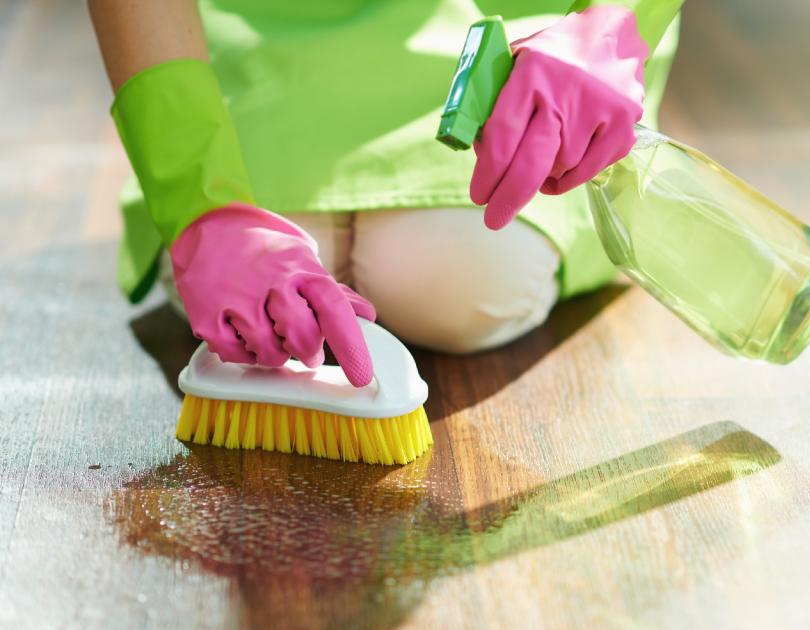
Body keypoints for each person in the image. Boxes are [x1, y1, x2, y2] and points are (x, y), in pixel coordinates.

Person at [89, 0, 683, 387]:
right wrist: (200, 202)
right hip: (248, 37)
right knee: (265, 306)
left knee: (457, 274)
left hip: (522, 38)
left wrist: (609, 30)